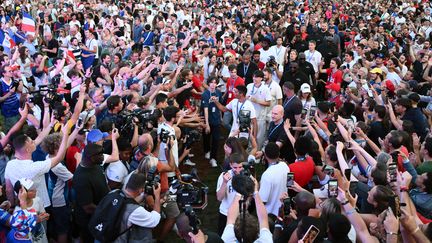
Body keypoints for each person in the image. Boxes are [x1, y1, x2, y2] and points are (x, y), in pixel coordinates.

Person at [72, 143, 110, 242]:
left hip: (101, 213)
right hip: (90, 221)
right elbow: (88, 207)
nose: (103, 157)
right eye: (100, 155)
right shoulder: (81, 178)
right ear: (92, 158)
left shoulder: (96, 166)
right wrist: (108, 213)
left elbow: (104, 185)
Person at [115, 173, 162, 242]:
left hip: (103, 234)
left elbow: (129, 200)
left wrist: (144, 194)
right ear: (140, 190)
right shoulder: (135, 211)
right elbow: (154, 220)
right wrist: (157, 196)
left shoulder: (114, 192)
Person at [216, 153, 244, 236]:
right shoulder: (223, 176)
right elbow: (219, 198)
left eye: (240, 167)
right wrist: (224, 182)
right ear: (230, 165)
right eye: (235, 167)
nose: (238, 170)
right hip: (225, 214)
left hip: (241, 214)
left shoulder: (247, 175)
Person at [259, 142, 289, 216]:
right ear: (279, 154)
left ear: (265, 156)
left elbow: (262, 200)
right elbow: (290, 184)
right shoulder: (286, 166)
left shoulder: (267, 175)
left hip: (270, 214)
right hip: (283, 210)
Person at [246, 70, 271, 149]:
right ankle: (250, 154)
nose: (254, 78)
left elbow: (268, 103)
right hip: (249, 116)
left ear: (261, 78)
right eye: (253, 77)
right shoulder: (249, 86)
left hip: (260, 117)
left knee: (259, 138)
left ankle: (257, 156)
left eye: (256, 77)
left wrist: (257, 101)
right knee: (248, 136)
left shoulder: (265, 88)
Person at [202, 77, 222, 168]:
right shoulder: (205, 94)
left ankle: (213, 158)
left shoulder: (218, 92)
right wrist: (207, 124)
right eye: (211, 82)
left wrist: (220, 117)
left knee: (216, 139)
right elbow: (205, 109)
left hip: (216, 119)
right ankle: (207, 151)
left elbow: (220, 106)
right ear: (208, 83)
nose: (213, 84)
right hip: (208, 119)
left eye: (215, 82)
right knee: (206, 136)